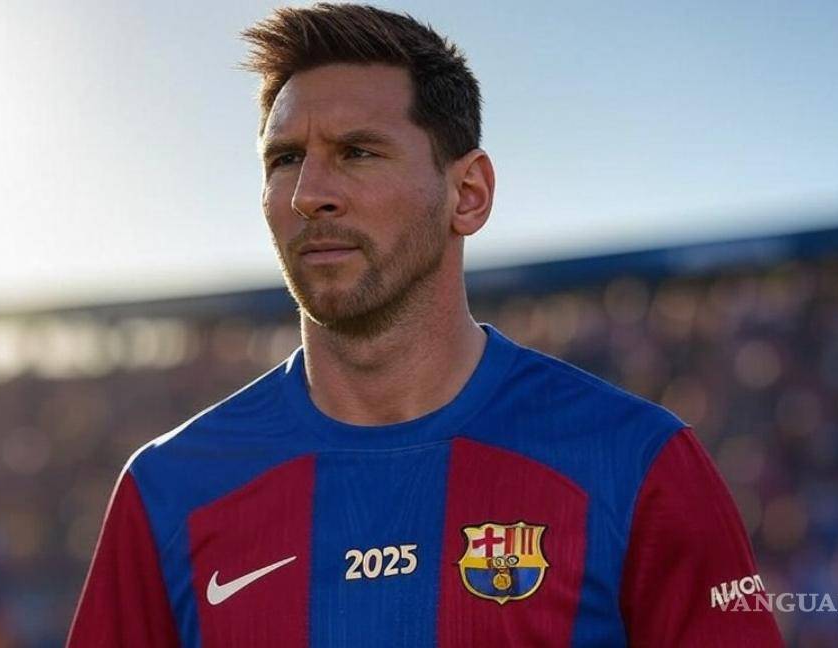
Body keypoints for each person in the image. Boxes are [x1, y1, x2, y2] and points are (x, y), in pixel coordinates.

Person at [68, 3, 783, 646]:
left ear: (467, 194)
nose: (310, 193)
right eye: (285, 160)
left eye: (357, 152)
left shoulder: (637, 461)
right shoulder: (168, 488)